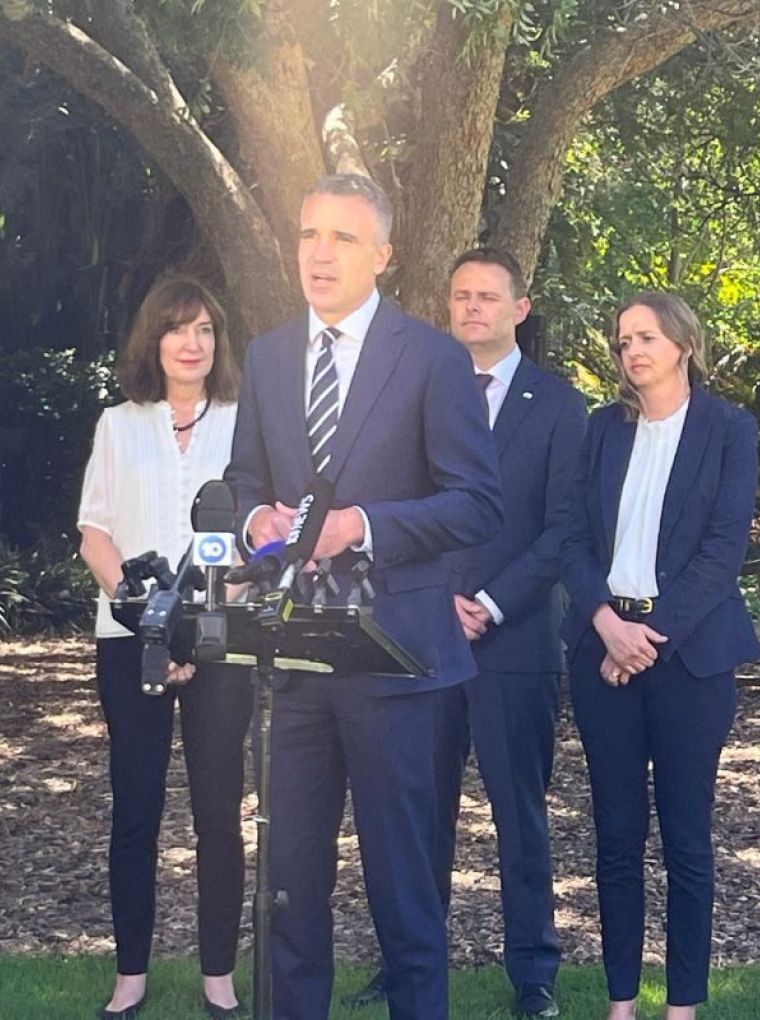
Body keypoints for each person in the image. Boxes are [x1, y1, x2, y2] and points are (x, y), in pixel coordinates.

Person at [223, 174, 503, 1020]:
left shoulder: (431, 358)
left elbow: (477, 502)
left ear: (380, 255)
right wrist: (255, 523)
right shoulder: (270, 356)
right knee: (289, 885)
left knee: (404, 892)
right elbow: (242, 479)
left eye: (342, 238)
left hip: (400, 664)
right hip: (294, 659)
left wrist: (366, 527)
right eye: (309, 233)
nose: (319, 252)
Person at [345, 247, 585, 1017]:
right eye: (460, 296)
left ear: (521, 308)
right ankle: (413, 966)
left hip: (513, 642)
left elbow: (562, 530)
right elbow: (399, 509)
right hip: (417, 632)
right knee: (418, 812)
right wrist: (438, 598)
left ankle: (533, 974)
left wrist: (487, 600)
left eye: (488, 296)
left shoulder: (558, 405)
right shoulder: (412, 393)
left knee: (520, 813)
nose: (472, 307)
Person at [560, 292, 759, 1020]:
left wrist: (645, 639)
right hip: (601, 649)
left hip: (689, 659)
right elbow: (571, 538)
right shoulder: (602, 431)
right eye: (622, 341)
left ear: (683, 343)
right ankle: (620, 1002)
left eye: (646, 337)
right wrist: (607, 625)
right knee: (614, 836)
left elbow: (722, 550)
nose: (632, 351)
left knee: (685, 837)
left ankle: (683, 1006)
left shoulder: (729, 429)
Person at [76, 276, 250, 1020]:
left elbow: (259, 538)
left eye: (206, 331)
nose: (192, 343)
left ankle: (218, 978)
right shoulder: (119, 424)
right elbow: (94, 532)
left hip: (220, 639)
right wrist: (146, 611)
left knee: (219, 812)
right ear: (154, 340)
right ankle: (131, 976)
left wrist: (204, 613)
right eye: (179, 329)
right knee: (136, 810)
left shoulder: (245, 425)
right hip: (130, 639)